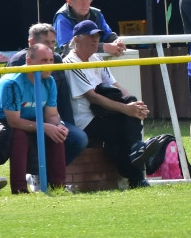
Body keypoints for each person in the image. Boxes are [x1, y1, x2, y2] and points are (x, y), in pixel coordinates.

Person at [64, 20, 159, 188]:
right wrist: (127, 109)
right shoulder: (70, 63)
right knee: (124, 131)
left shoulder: (96, 58)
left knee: (130, 106)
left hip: (103, 113)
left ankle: (135, 152)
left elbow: (116, 86)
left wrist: (135, 104)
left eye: (98, 36)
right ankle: (137, 172)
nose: (96, 40)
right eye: (91, 36)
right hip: (85, 120)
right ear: (77, 40)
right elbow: (92, 97)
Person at [0, 44, 68, 193]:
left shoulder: (49, 81)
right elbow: (14, 121)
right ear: (29, 61)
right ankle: (19, 189)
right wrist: (45, 127)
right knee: (20, 135)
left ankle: (59, 187)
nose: (49, 65)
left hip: (30, 121)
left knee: (58, 135)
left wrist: (57, 125)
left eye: (51, 60)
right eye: (44, 60)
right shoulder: (12, 82)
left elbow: (51, 115)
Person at [8, 23, 88, 166]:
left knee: (78, 138)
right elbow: (13, 107)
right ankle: (36, 173)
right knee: (26, 138)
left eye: (53, 42)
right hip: (22, 118)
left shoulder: (57, 59)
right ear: (31, 43)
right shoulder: (17, 61)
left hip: (50, 116)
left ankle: (50, 175)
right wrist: (43, 126)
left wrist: (62, 124)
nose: (51, 47)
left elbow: (63, 98)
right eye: (46, 42)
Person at [53, 0, 125, 56]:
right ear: (69, 1)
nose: (85, 4)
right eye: (81, 0)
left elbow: (108, 35)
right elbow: (68, 49)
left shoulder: (97, 14)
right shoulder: (62, 17)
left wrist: (116, 41)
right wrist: (104, 47)